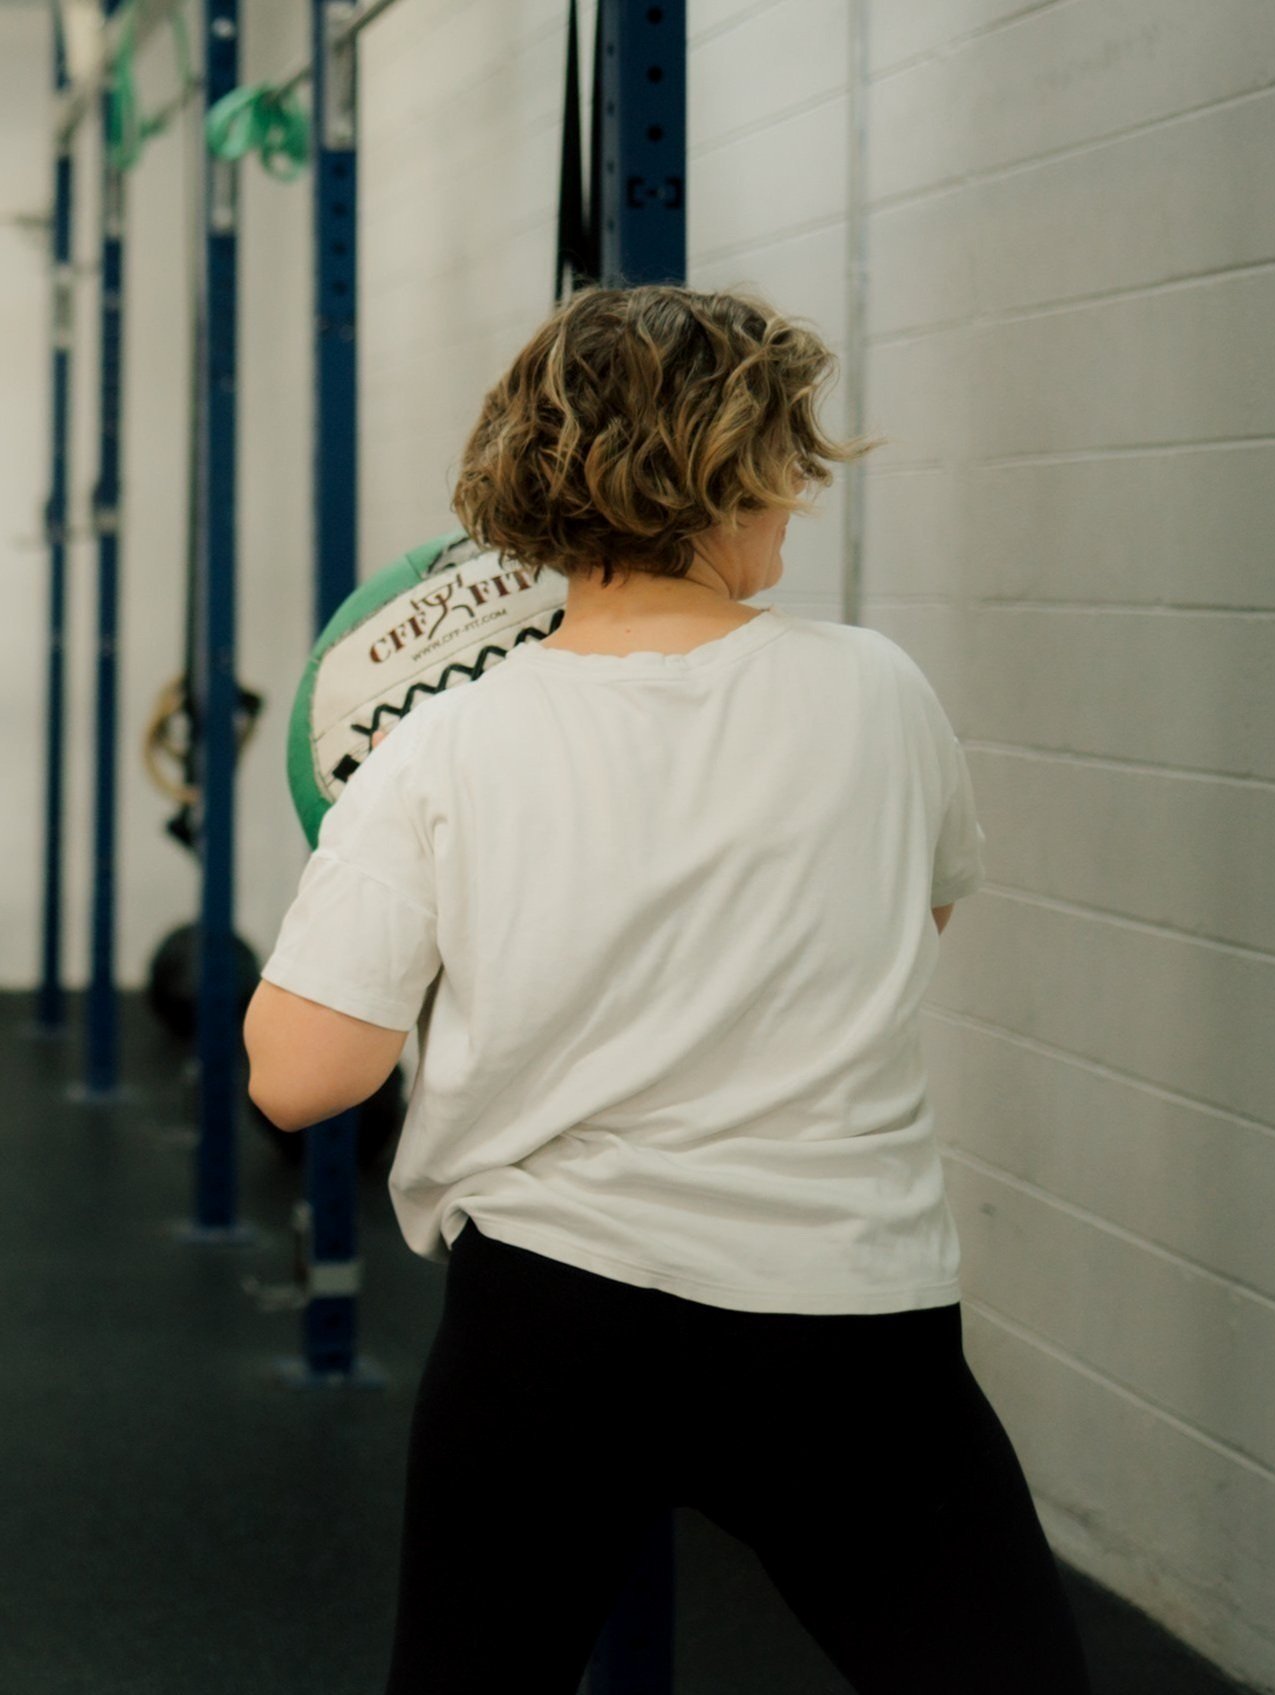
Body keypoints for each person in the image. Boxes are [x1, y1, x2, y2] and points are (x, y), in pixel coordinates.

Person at [249, 283, 1093, 1694]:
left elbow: (299, 1078)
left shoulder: (439, 753)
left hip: (553, 1329)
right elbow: (909, 916)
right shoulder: (878, 692)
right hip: (845, 1328)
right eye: (783, 463)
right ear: (720, 477)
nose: (798, 497)